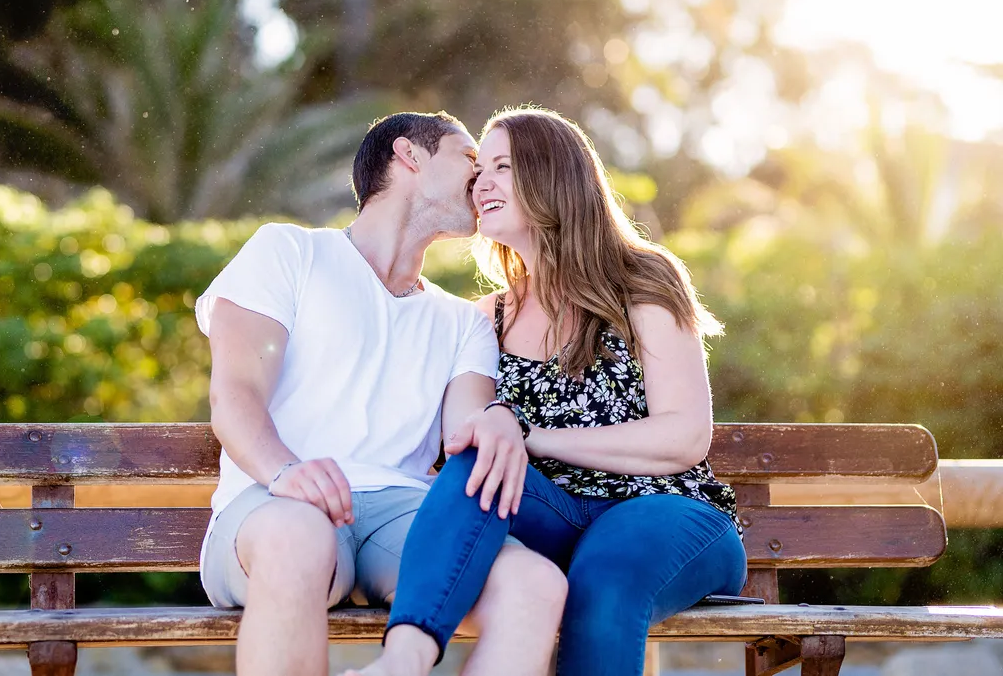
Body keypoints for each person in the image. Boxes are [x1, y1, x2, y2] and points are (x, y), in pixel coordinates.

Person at [348, 107, 747, 676]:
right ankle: (404, 660)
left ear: (554, 176)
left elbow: (684, 438)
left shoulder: (643, 283)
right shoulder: (488, 317)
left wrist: (533, 438)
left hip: (664, 512)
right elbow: (456, 427)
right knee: (477, 456)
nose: (479, 182)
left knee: (602, 581)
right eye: (476, 170)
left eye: (501, 167)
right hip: (551, 515)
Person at [195, 110, 567, 676]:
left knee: (533, 583)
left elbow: (466, 425)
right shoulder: (288, 253)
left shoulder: (461, 323)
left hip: (399, 513)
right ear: (409, 156)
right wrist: (284, 471)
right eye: (469, 159)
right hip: (274, 504)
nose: (481, 179)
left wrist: (496, 420)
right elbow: (236, 392)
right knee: (300, 540)